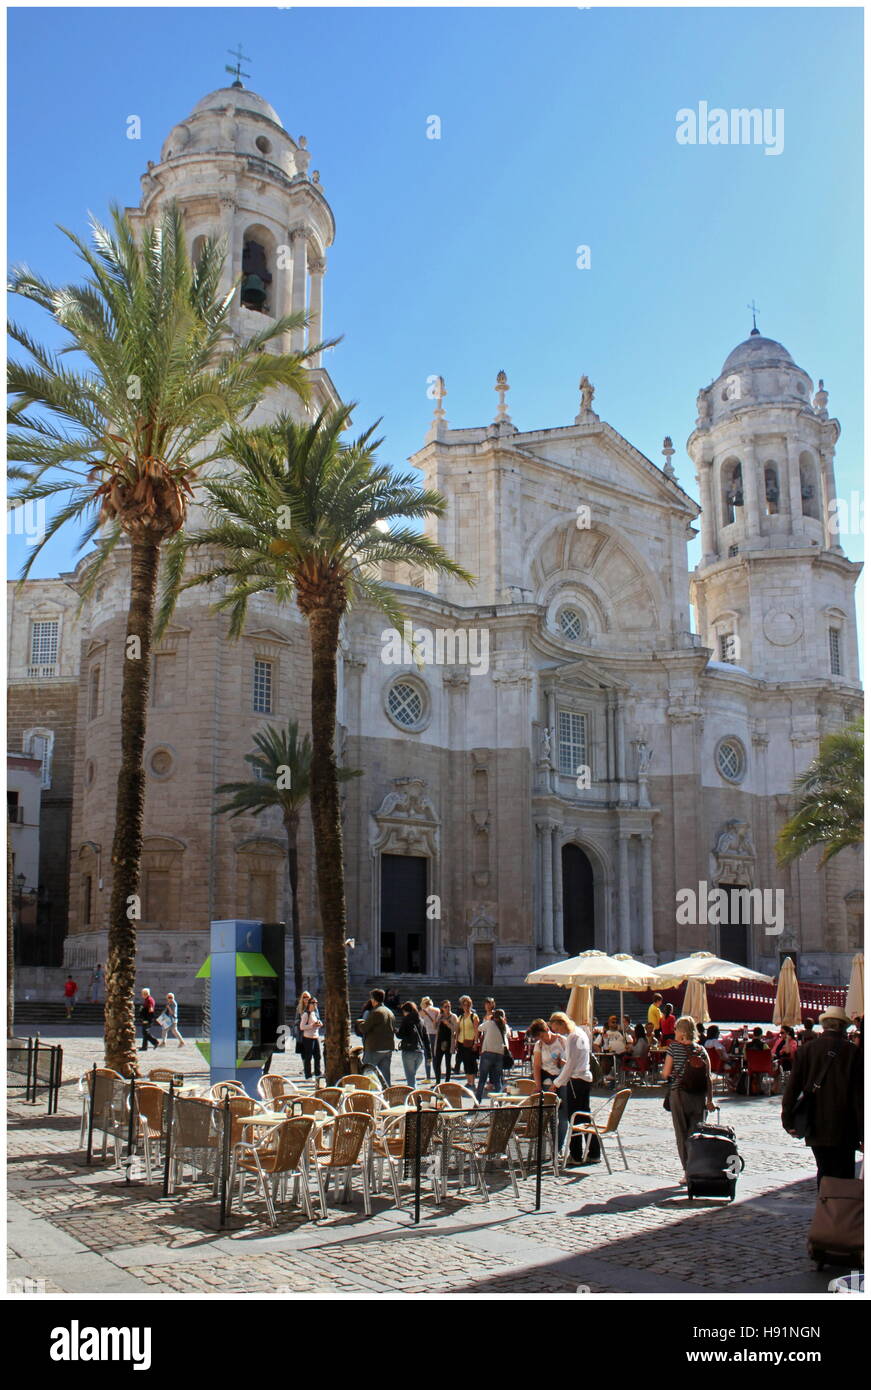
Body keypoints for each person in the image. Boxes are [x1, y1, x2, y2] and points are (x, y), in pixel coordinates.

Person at [782, 1005, 863, 1186]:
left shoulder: (806, 1050)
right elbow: (860, 1097)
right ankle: (840, 1212)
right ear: (843, 1027)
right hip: (845, 1125)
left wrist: (788, 1120)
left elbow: (792, 1088)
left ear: (824, 1026)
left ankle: (825, 1208)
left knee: (824, 1169)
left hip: (815, 1122)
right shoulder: (853, 1052)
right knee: (844, 1173)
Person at [661, 1014, 714, 1179]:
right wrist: (710, 1100)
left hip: (679, 1094)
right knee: (696, 1133)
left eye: (676, 1029)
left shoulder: (674, 1048)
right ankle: (697, 1167)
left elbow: (665, 1073)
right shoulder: (701, 1050)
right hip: (698, 1096)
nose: (674, 1031)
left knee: (681, 1133)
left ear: (682, 1032)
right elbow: (708, 1077)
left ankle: (688, 1171)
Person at [549, 1011, 599, 1165]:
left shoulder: (572, 1037)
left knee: (575, 1118)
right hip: (585, 1078)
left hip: (576, 1081)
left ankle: (576, 1155)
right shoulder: (581, 1033)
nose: (556, 1032)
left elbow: (570, 1064)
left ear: (561, 1023)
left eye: (556, 1028)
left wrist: (556, 1083)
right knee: (585, 1116)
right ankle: (594, 1152)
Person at [356, 988, 396, 1086]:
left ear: (373, 1000)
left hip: (375, 1047)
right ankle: (387, 1094)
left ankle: (368, 1096)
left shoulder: (376, 1012)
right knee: (385, 1076)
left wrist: (360, 1023)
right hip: (387, 1048)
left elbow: (364, 1028)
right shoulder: (389, 1012)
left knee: (367, 1074)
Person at [476, 1008, 508, 1102]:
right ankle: (499, 1101)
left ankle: (478, 1100)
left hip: (488, 1053)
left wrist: (487, 1019)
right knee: (498, 1080)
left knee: (482, 1079)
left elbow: (479, 1028)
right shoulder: (504, 1026)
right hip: (499, 1054)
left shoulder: (490, 1023)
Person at [396, 1001, 427, 1087]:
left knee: (410, 1079)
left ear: (406, 1011)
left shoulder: (406, 1020)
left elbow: (400, 1035)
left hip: (409, 1051)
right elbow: (426, 1038)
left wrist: (396, 1031)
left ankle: (413, 1097)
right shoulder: (421, 1020)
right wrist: (430, 1055)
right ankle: (415, 1095)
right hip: (420, 1052)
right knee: (412, 1076)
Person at [454, 996, 480, 1088]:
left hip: (470, 1042)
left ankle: (472, 1081)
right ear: (462, 1006)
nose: (466, 1006)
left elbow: (476, 1030)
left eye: (468, 1004)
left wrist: (475, 1042)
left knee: (471, 1062)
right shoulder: (460, 1017)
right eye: (464, 1005)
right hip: (461, 1042)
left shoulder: (474, 1016)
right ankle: (468, 1081)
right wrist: (456, 1041)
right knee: (465, 1062)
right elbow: (458, 1030)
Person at [433, 1000, 458, 1084]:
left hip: (449, 1042)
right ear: (442, 1008)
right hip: (440, 1041)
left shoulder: (453, 1016)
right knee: (437, 1062)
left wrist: (448, 1024)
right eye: (445, 1007)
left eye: (449, 1006)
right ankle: (437, 1081)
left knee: (448, 1063)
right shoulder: (440, 1016)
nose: (447, 1008)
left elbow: (456, 1029)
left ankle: (447, 1081)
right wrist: (435, 1021)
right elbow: (435, 1028)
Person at [299, 996, 323, 1079]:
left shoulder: (315, 1013)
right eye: (313, 1003)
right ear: (309, 1004)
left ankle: (317, 1073)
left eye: (316, 1003)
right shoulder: (306, 1014)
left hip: (315, 1036)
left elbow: (319, 1021)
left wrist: (319, 1024)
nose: (315, 1004)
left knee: (318, 1056)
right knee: (308, 1057)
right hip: (308, 1038)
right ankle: (308, 1075)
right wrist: (312, 1025)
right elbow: (301, 1027)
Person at [419, 996, 440, 1080]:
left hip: (427, 1035)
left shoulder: (422, 1012)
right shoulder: (437, 1010)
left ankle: (428, 1077)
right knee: (436, 1056)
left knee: (427, 1056)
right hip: (436, 1035)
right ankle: (436, 1075)